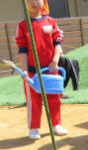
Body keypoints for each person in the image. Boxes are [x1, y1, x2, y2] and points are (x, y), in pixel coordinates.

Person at [15, 0, 68, 140]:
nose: (33, 2)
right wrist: (24, 69)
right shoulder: (22, 25)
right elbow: (22, 49)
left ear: (43, 2)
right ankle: (33, 128)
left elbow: (58, 44)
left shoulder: (52, 22)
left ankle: (56, 124)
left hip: (51, 70)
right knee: (33, 100)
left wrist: (55, 60)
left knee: (55, 99)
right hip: (32, 72)